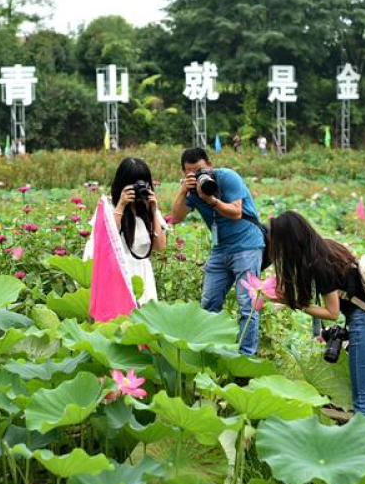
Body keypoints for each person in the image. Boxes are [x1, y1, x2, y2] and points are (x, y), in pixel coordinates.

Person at [269, 210, 365, 423]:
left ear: (289, 240)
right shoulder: (328, 247)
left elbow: (331, 313)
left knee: (362, 399)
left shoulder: (319, 264)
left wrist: (296, 304)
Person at [171, 148, 265, 355]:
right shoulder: (192, 191)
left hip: (246, 246)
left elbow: (236, 211)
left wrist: (211, 200)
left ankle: (245, 357)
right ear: (184, 174)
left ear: (210, 166)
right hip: (220, 249)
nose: (198, 176)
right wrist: (182, 191)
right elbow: (175, 218)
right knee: (208, 304)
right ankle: (208, 353)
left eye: (201, 171)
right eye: (191, 173)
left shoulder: (227, 177)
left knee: (247, 306)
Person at [86, 158, 167, 305]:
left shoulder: (148, 210)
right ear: (122, 184)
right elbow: (104, 240)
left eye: (143, 182)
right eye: (134, 184)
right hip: (117, 274)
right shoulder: (108, 207)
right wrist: (121, 206)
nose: (139, 188)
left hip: (143, 276)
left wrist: (153, 211)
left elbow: (160, 247)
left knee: (144, 324)